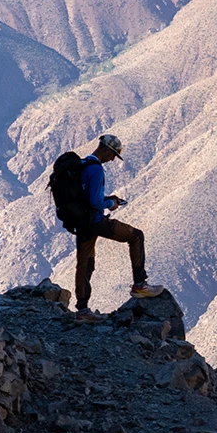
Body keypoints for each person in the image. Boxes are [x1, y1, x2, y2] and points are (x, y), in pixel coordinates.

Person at [70, 133, 160, 314]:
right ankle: (140, 285)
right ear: (105, 149)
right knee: (136, 236)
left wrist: (107, 198)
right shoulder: (96, 170)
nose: (112, 159)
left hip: (82, 222)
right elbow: (95, 202)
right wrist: (111, 203)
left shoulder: (83, 165)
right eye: (112, 154)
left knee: (85, 263)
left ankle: (82, 309)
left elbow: (88, 196)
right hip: (95, 221)